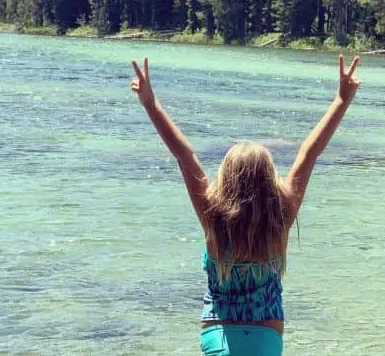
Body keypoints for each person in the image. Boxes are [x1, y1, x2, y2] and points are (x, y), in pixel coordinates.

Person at [129, 54, 362, 356]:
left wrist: (150, 104)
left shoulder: (213, 217)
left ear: (225, 178)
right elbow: (309, 153)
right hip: (266, 341)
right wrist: (341, 101)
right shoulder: (282, 216)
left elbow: (184, 157)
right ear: (269, 178)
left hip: (218, 337)